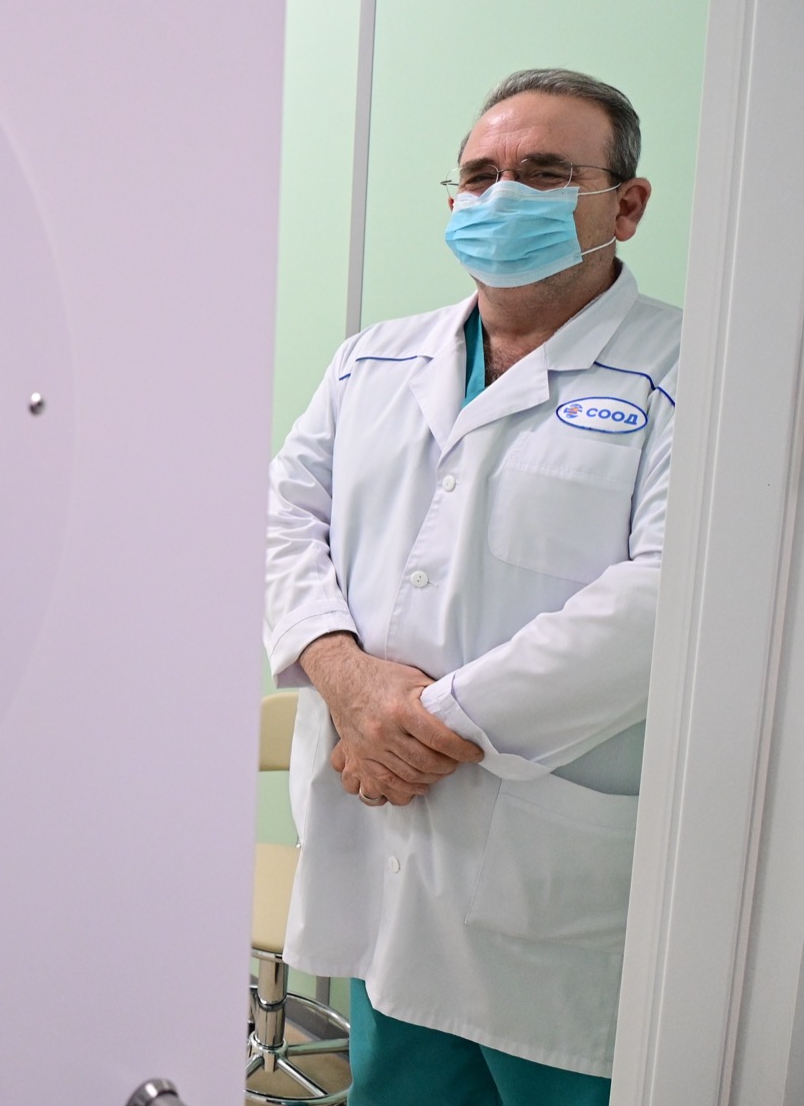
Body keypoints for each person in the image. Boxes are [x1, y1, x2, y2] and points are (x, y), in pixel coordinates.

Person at [264, 69, 679, 1105]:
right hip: (383, 836)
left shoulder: (694, 370)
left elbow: (665, 595)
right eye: (481, 175)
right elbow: (283, 518)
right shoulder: (371, 361)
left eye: (544, 174)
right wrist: (347, 679)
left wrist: (421, 725)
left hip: (549, 868)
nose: (502, 197)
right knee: (397, 1078)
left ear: (626, 204)